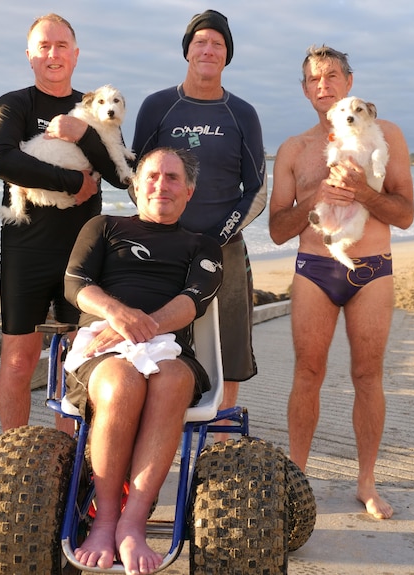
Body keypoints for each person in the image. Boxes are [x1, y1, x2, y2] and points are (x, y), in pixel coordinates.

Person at [269, 45, 414, 519]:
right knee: (307, 374)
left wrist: (364, 192)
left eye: (332, 76)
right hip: (315, 268)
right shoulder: (295, 149)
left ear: (349, 82)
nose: (324, 85)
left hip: (372, 268)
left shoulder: (385, 134)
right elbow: (277, 230)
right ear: (306, 90)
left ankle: (367, 482)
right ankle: (297, 478)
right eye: (314, 79)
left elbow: (406, 214)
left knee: (367, 376)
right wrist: (317, 191)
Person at [63, 147, 222, 573]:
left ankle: (133, 523)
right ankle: (106, 518)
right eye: (152, 175)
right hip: (102, 344)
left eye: (173, 178)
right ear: (136, 185)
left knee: (170, 382)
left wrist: (140, 325)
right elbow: (75, 283)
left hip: (169, 349)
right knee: (122, 382)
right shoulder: (104, 226)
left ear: (188, 191)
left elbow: (193, 302)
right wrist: (117, 314)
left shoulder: (202, 245)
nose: (161, 184)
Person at [0, 13, 129, 434]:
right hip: (25, 249)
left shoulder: (97, 105)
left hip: (82, 252)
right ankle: (16, 456)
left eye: (62, 46)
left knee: (79, 360)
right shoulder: (14, 103)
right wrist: (71, 181)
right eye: (44, 46)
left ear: (76, 54)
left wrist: (83, 136)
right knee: (18, 360)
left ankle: (69, 463)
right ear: (30, 55)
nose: (53, 54)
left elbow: (117, 170)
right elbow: (0, 159)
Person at [131, 10, 266, 432]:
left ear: (227, 55)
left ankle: (220, 438)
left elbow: (258, 191)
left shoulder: (241, 113)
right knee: (152, 340)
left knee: (228, 347)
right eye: (201, 42)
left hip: (224, 248)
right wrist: (164, 232)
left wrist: (215, 237)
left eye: (218, 44)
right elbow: (137, 177)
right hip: (164, 249)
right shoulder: (158, 106)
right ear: (187, 50)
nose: (208, 50)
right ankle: (151, 430)